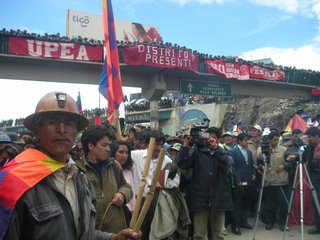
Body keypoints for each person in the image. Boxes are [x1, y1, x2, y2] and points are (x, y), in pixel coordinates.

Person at [0, 91, 140, 240]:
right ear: (36, 131)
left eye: (68, 123)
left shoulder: (80, 178)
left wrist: (112, 237)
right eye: (52, 122)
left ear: (76, 132)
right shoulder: (12, 182)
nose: (61, 129)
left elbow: (84, 234)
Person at [177, 127, 233, 240]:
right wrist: (186, 145)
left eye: (213, 137)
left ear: (218, 140)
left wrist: (216, 150)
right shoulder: (197, 152)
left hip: (218, 198)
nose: (210, 140)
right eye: (208, 137)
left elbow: (229, 165)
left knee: (218, 234)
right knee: (199, 235)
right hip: (201, 198)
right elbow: (182, 163)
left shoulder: (223, 151)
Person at [131, 130, 184, 240]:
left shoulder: (166, 160)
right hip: (138, 202)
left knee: (155, 233)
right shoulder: (135, 156)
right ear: (147, 143)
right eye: (156, 144)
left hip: (156, 203)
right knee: (138, 233)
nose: (158, 148)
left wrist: (164, 184)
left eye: (161, 144)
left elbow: (176, 180)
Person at [80, 125, 133, 233]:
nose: (108, 149)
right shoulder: (78, 170)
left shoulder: (114, 165)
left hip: (117, 231)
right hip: (92, 232)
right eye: (104, 145)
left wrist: (122, 194)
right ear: (91, 146)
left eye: (109, 145)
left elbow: (126, 187)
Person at [257, 131, 288, 232]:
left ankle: (283, 223)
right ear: (269, 140)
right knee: (269, 204)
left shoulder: (284, 150)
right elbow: (258, 163)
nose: (276, 142)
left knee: (282, 204)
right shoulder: (263, 150)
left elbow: (290, 163)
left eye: (277, 140)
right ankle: (270, 222)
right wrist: (262, 166)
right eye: (274, 140)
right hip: (268, 181)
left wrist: (284, 166)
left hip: (281, 181)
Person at [229, 133, 256, 235]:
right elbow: (232, 167)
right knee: (237, 204)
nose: (247, 142)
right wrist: (237, 180)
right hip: (238, 182)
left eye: (248, 140)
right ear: (239, 141)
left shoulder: (249, 152)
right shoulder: (233, 152)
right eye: (245, 140)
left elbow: (251, 165)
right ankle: (235, 225)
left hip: (248, 181)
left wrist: (253, 173)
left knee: (246, 202)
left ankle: (244, 222)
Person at [110, 140, 136, 212]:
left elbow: (132, 191)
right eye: (121, 152)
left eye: (126, 153)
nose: (124, 156)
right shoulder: (109, 171)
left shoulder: (129, 171)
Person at [303, 127, 320, 234]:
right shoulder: (310, 146)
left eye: (310, 137)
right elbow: (304, 157)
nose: (308, 139)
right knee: (316, 202)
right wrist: (296, 158)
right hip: (314, 178)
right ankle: (318, 226)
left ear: (316, 136)